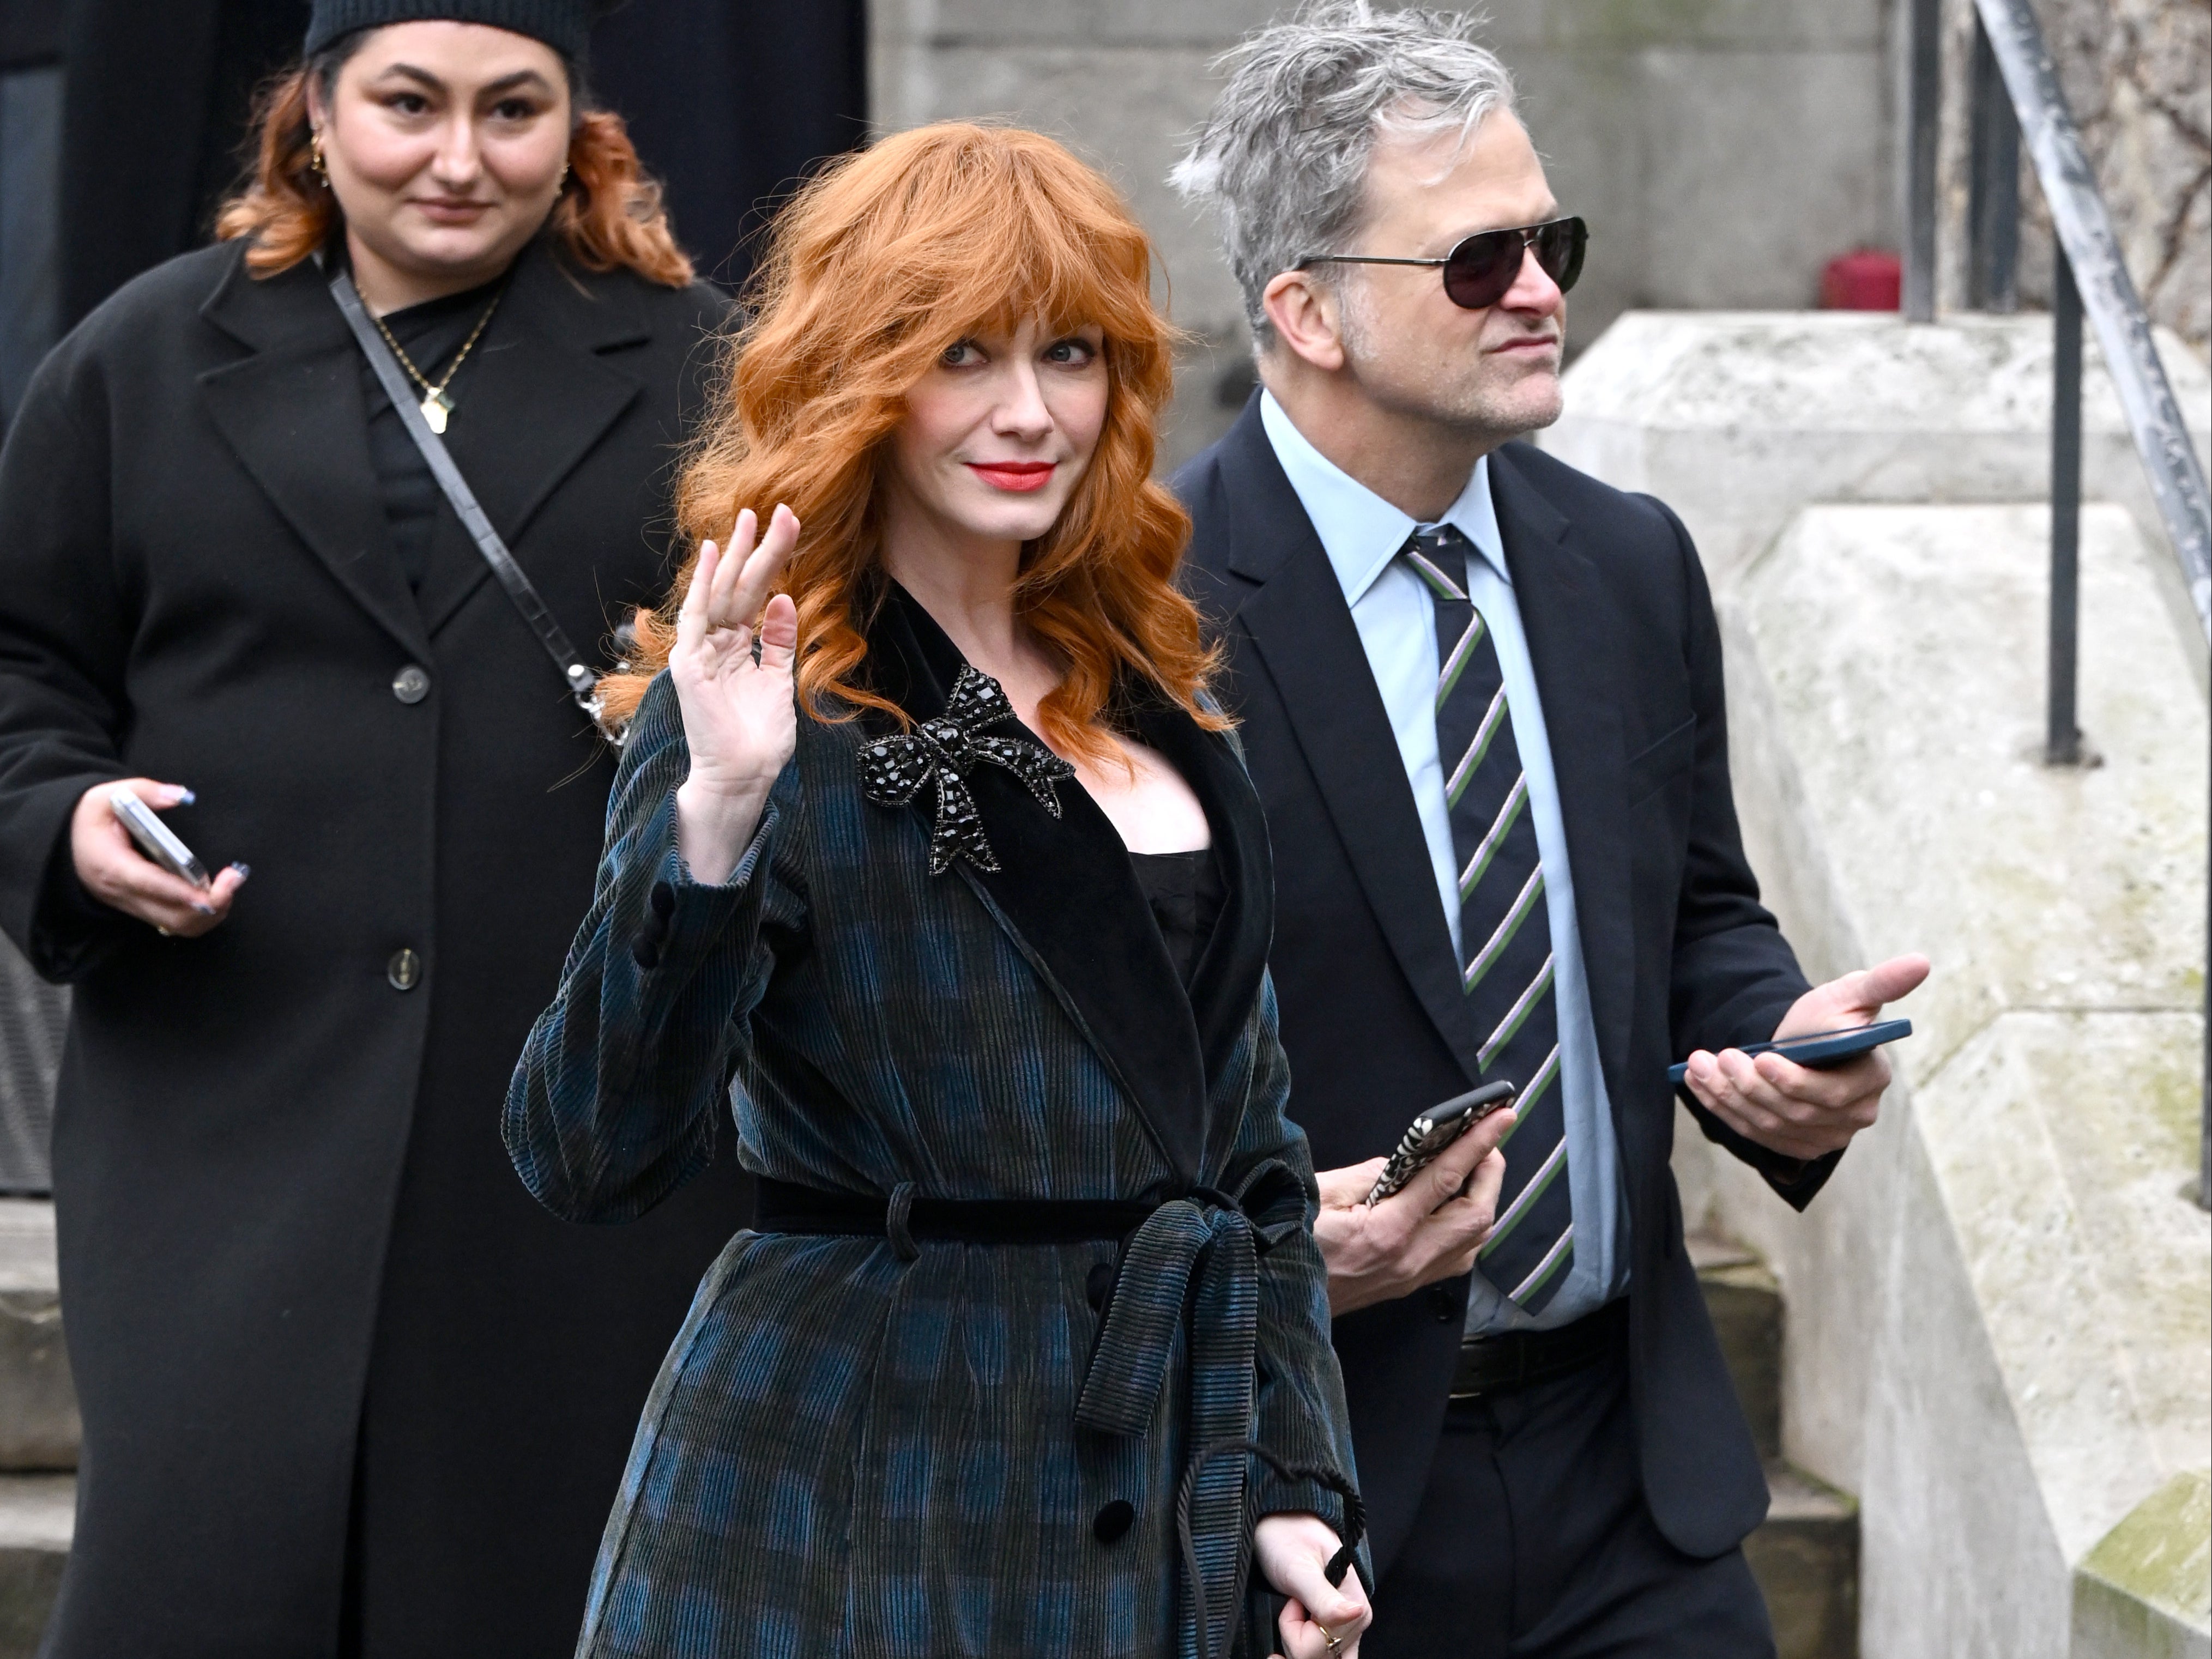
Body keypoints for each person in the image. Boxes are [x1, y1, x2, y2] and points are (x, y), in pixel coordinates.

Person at [504, 121, 1375, 1659]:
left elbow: (1253, 1160)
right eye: (962, 353)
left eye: (1071, 353)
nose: (1029, 409)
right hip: (839, 1491)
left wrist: (1291, 1485)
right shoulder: (776, 704)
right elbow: (589, 1150)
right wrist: (714, 809)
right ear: (863, 377)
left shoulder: (1159, 697)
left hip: (1140, 1483)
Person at [1169, 7, 1929, 1655]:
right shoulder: (1143, 621)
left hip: (1632, 1481)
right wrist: (1288, 1242)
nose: (1537, 290)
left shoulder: (1627, 560)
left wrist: (1774, 1054)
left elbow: (1697, 915)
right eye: (1472, 261)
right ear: (1300, 309)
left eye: (1549, 239)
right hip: (1308, 1494)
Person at [0, 5, 753, 1654]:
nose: (460, 159)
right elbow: (22, 661)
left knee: (528, 1580)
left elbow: (816, 666)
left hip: (574, 1128)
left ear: (577, 129)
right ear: (317, 114)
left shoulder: (702, 363)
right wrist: (62, 820)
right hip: (224, 1113)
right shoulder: (145, 354)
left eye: (513, 110)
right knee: (201, 1583)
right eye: (409, 105)